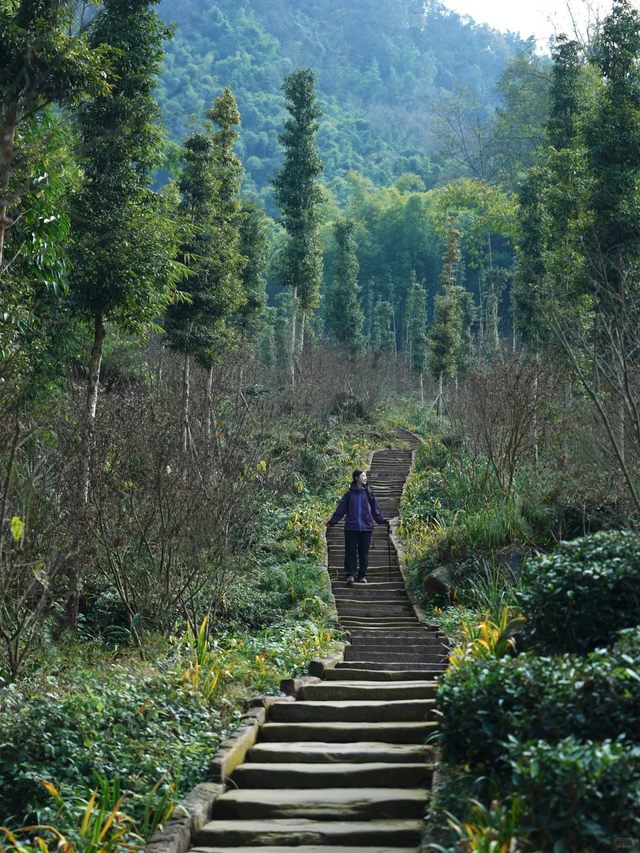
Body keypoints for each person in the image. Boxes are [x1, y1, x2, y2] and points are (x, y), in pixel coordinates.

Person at [326, 469, 390, 584]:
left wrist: (382, 520)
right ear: (356, 478)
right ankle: (350, 575)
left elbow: (376, 510)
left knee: (363, 552)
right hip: (351, 527)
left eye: (365, 476)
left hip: (366, 528)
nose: (365, 478)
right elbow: (341, 509)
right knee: (350, 552)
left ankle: (362, 576)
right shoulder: (349, 494)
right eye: (363, 476)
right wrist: (332, 521)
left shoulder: (369, 493)